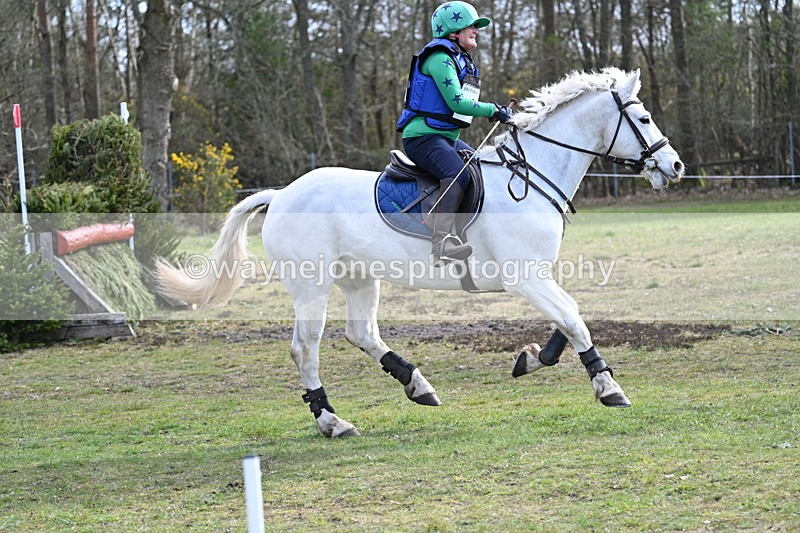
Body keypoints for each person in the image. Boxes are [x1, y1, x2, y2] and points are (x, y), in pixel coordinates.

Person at [396, 1, 512, 264]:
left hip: (447, 137)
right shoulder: (439, 58)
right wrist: (494, 110)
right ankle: (441, 245)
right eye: (471, 26)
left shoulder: (460, 59)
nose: (476, 31)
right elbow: (457, 103)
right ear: (453, 31)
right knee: (456, 175)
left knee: (483, 171)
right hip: (421, 138)